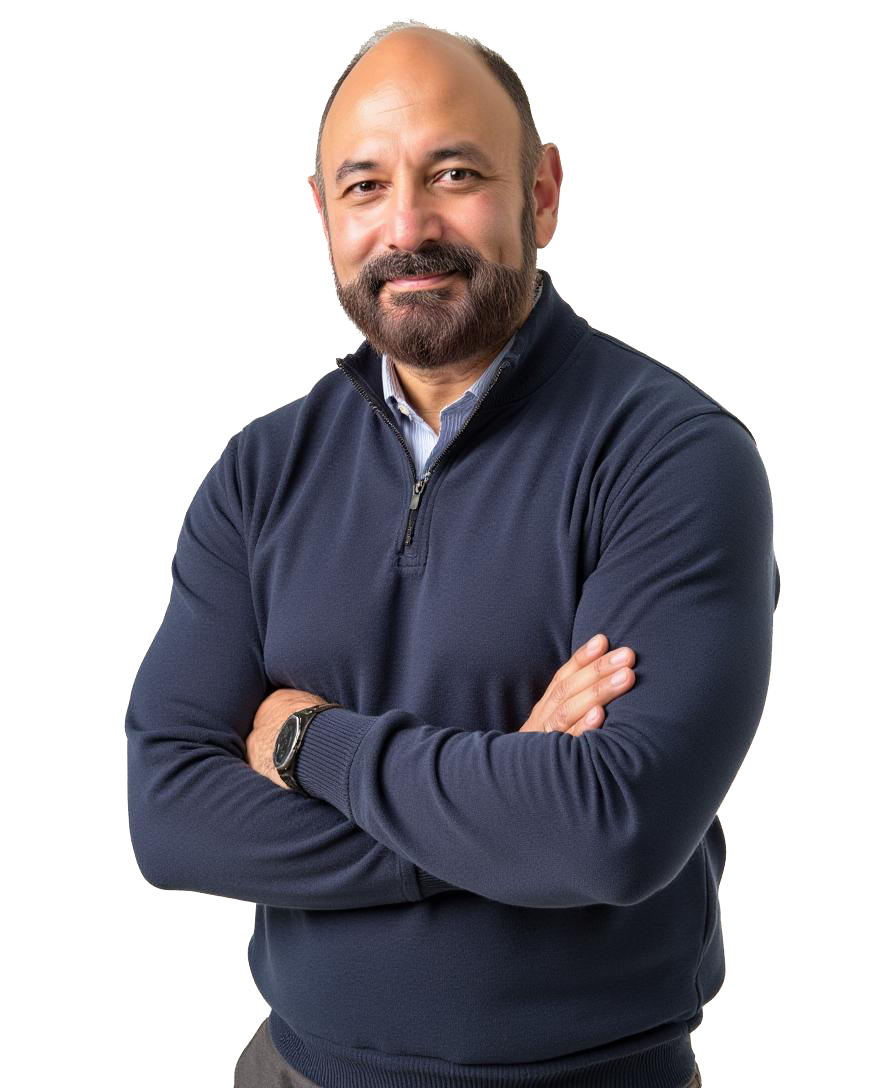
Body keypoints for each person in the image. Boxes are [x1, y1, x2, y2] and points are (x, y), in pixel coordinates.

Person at [124, 17, 779, 1088]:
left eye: (455, 173)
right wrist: (502, 804)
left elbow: (606, 828)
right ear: (323, 214)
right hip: (291, 1069)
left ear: (542, 194)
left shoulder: (671, 456)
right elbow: (168, 815)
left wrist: (310, 744)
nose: (407, 225)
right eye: (365, 186)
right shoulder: (261, 470)